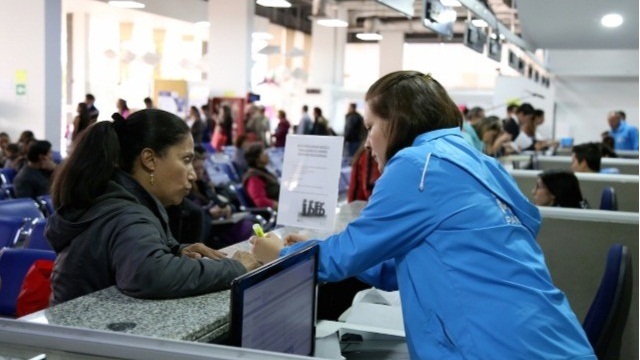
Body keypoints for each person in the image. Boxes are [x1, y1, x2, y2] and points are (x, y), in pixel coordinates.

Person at [251, 71, 595, 360]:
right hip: (549, 337)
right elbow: (402, 263)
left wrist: (279, 255)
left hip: (494, 346)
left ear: (397, 122)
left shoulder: (417, 165)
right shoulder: (478, 161)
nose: (367, 142)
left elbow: (337, 261)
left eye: (371, 126)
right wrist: (317, 245)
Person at [46, 109, 259, 306]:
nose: (192, 174)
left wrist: (174, 252)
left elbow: (124, 257)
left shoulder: (117, 200)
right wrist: (235, 268)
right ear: (149, 160)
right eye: (185, 160)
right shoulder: (127, 213)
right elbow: (149, 275)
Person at [242, 143, 279, 209]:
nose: (267, 154)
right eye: (264, 152)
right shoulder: (253, 178)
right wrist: (282, 206)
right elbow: (260, 201)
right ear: (256, 158)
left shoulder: (262, 171)